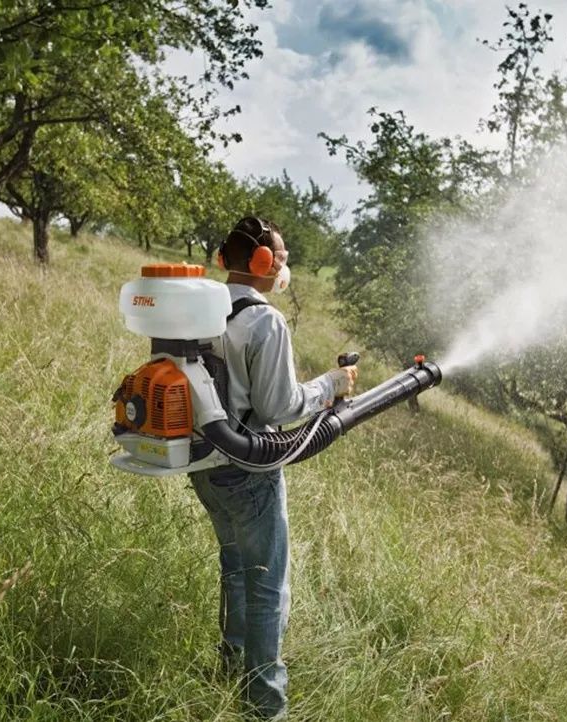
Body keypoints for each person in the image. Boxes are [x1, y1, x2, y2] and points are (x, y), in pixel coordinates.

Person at [189, 217, 357, 719]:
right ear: (263, 265)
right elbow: (281, 406)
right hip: (249, 469)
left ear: (224, 261)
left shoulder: (201, 311)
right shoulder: (265, 321)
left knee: (235, 570)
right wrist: (331, 384)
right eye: (280, 258)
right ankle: (265, 707)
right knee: (266, 585)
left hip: (204, 465)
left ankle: (229, 667)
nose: (283, 267)